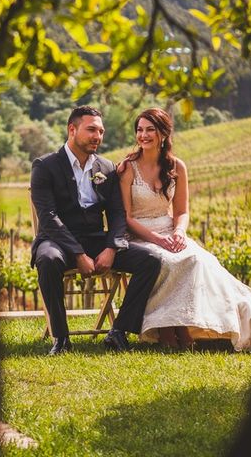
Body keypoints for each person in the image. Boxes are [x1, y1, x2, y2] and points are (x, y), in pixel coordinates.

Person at [118, 108, 251, 351]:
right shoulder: (127, 168)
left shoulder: (177, 167)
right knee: (166, 261)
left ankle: (198, 326)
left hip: (170, 230)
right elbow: (126, 218)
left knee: (199, 259)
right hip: (140, 234)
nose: (144, 135)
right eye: (140, 130)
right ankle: (168, 329)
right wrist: (159, 241)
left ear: (163, 133)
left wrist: (179, 233)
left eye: (150, 129)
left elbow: (182, 211)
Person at [30, 106, 162, 355]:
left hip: (96, 240)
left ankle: (119, 332)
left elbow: (117, 214)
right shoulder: (45, 166)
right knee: (46, 260)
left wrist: (112, 248)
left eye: (101, 131)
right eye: (91, 129)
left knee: (151, 260)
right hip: (57, 241)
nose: (97, 136)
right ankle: (61, 339)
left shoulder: (107, 168)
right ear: (72, 129)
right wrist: (78, 254)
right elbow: (48, 217)